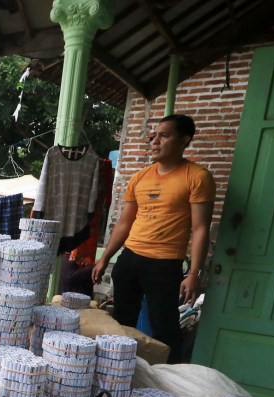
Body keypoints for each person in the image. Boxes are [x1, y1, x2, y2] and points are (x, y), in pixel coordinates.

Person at [91, 114, 215, 363]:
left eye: (164, 135)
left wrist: (193, 273)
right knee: (122, 322)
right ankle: (120, 371)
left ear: (184, 140)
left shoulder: (197, 176)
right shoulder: (140, 177)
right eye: (153, 136)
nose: (155, 141)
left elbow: (201, 228)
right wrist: (105, 257)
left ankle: (171, 379)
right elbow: (125, 221)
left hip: (164, 264)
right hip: (129, 259)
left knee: (164, 327)